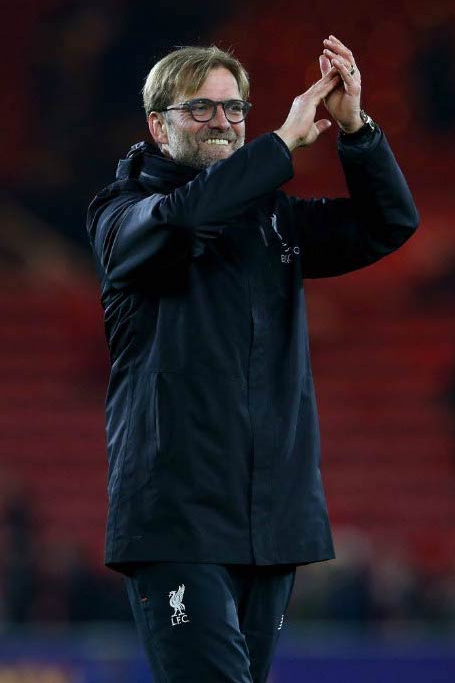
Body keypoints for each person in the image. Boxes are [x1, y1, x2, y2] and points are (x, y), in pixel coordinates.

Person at [87, 37, 419, 682]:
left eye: (235, 108)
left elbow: (389, 225)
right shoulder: (121, 214)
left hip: (270, 516)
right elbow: (184, 222)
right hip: (176, 519)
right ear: (158, 125)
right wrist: (280, 144)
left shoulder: (273, 220)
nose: (224, 122)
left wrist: (357, 130)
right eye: (202, 109)